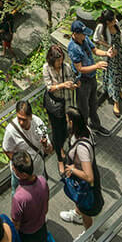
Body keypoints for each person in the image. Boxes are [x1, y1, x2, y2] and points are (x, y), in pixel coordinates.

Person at [60, 107, 103, 231]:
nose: (65, 122)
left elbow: (89, 177)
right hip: (80, 179)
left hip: (85, 182)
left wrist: (73, 170)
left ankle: (89, 234)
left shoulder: (82, 148)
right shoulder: (83, 130)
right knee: (80, 201)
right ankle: (77, 213)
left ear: (72, 123)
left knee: (86, 210)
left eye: (67, 120)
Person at [66, 20, 112, 136]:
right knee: (83, 110)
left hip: (92, 78)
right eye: (83, 34)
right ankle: (83, 132)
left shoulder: (85, 39)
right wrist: (97, 66)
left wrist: (107, 53)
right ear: (75, 34)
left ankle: (96, 126)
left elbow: (95, 50)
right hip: (83, 81)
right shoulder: (73, 48)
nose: (85, 36)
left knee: (93, 104)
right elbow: (80, 68)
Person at [10, 151, 49, 242]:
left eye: (14, 168)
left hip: (26, 238)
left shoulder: (19, 197)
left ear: (21, 174)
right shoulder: (43, 181)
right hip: (42, 230)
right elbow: (46, 208)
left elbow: (16, 225)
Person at [1, 100, 51, 190]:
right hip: (21, 175)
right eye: (18, 118)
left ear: (30, 117)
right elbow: (6, 150)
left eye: (23, 119)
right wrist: (20, 167)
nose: (20, 122)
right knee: (17, 194)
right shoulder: (11, 131)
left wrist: (45, 145)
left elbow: (49, 150)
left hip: (38, 170)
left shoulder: (38, 123)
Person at [42, 44, 76, 174]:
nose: (59, 62)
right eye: (57, 60)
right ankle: (59, 156)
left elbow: (71, 80)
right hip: (55, 106)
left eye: (61, 59)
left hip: (66, 103)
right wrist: (62, 85)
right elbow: (49, 87)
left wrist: (72, 85)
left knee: (66, 128)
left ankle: (63, 148)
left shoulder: (66, 67)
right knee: (57, 132)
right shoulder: (46, 68)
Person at [94, 10, 122, 114]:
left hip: (119, 54)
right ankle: (116, 101)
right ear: (107, 22)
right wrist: (108, 46)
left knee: (120, 74)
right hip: (111, 56)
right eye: (113, 20)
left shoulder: (116, 24)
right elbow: (96, 39)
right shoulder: (101, 27)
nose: (115, 21)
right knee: (114, 77)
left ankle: (118, 92)